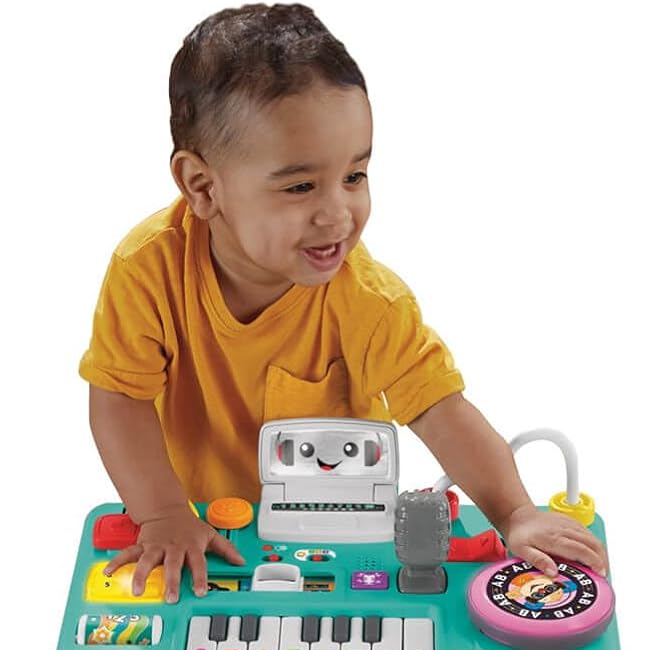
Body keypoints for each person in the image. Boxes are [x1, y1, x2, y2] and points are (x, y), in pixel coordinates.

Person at [81, 3, 608, 604]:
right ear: (203, 187)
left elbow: (440, 408)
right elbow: (119, 400)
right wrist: (162, 514)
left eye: (355, 176)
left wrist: (515, 513)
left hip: (336, 534)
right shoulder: (147, 269)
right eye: (301, 186)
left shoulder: (370, 301)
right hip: (200, 523)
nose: (338, 214)